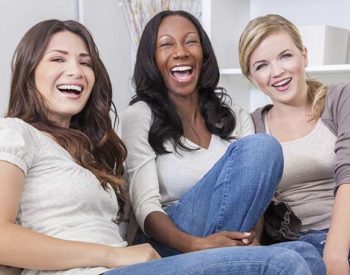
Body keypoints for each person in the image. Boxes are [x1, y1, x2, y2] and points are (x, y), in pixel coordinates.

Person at [0, 18, 323, 275]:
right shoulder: (16, 133)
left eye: (85, 63)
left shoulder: (90, 149)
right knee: (283, 264)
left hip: (128, 263)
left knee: (306, 254)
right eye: (58, 59)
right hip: (96, 268)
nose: (76, 71)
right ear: (29, 72)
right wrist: (114, 256)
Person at [121, 9, 326, 275]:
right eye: (166, 44)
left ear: (203, 54)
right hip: (172, 241)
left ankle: (228, 260)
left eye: (190, 41)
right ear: (151, 59)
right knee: (263, 148)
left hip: (230, 237)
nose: (180, 51)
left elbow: (255, 197)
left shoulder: (234, 116)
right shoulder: (140, 115)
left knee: (308, 255)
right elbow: (145, 209)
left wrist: (253, 238)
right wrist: (196, 245)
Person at [239, 14, 350, 275]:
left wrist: (335, 255)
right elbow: (253, 197)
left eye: (285, 56)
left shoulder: (339, 99)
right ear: (251, 77)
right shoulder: (252, 125)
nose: (277, 72)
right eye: (262, 65)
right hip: (293, 244)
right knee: (304, 259)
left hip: (342, 236)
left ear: (304, 55)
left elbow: (348, 173)